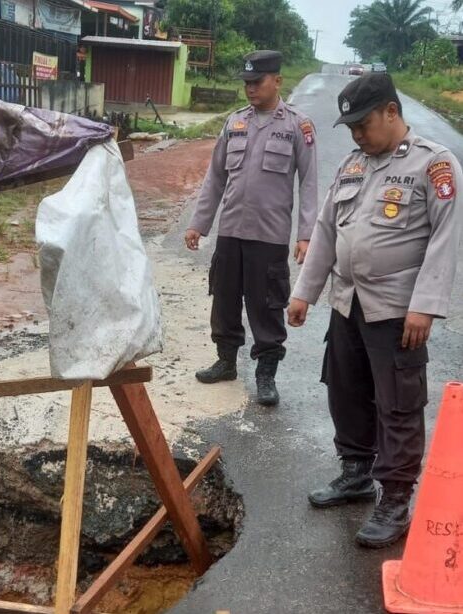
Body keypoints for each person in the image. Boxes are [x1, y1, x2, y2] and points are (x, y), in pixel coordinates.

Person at [288, 72, 462, 548]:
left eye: (363, 124)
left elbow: (445, 241)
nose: (357, 134)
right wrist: (305, 292)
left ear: (391, 111)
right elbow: (325, 231)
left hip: (397, 311)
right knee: (346, 390)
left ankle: (397, 499)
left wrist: (424, 306)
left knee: (399, 405)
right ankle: (356, 473)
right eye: (351, 128)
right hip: (347, 304)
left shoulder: (434, 165)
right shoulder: (353, 165)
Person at [185, 50, 318, 406]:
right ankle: (226, 361)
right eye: (245, 83)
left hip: (270, 234)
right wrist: (199, 223)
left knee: (266, 306)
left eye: (256, 82)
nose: (249, 89)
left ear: (277, 80)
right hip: (231, 230)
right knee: (225, 299)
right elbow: (215, 177)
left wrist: (306, 234)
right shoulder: (235, 123)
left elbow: (309, 183)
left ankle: (266, 374)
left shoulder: (297, 126)